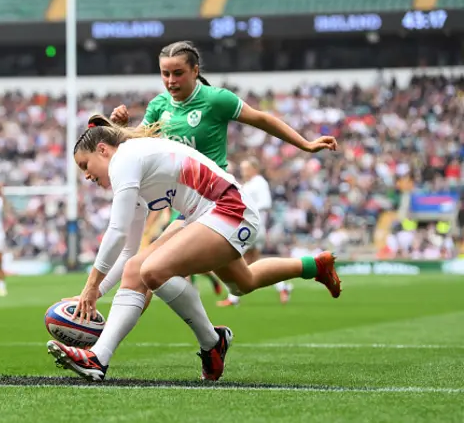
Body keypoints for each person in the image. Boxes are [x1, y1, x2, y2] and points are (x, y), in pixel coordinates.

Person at [47, 123, 342, 382]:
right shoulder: (130, 176)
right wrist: (95, 294)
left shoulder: (124, 158)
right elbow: (127, 252)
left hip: (229, 210)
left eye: (85, 165)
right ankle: (314, 266)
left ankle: (205, 343)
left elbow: (116, 231)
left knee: (152, 270)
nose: (86, 175)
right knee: (242, 282)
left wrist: (90, 286)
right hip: (202, 216)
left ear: (102, 150)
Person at [106, 40, 339, 303]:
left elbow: (261, 119)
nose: (170, 80)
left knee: (146, 269)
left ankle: (105, 342)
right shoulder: (160, 106)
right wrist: (121, 128)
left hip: (214, 202)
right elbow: (139, 142)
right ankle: (315, 266)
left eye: (178, 73)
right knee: (243, 283)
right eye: (165, 73)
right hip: (185, 204)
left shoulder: (216, 99)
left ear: (195, 71)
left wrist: (305, 144)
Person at [217, 157, 292, 306]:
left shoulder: (259, 183)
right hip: (250, 227)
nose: (243, 171)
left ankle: (234, 298)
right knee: (252, 262)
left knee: (235, 259)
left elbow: (265, 203)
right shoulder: (250, 183)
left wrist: (246, 210)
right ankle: (283, 287)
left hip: (252, 228)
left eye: (246, 168)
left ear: (255, 169)